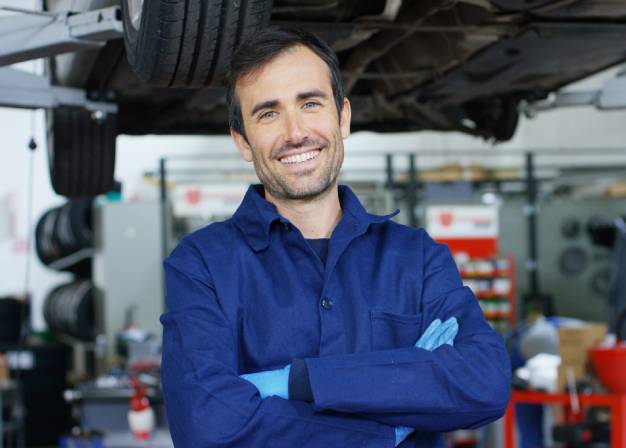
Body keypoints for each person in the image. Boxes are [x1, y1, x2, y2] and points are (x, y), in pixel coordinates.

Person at [160, 25, 510, 447]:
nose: (295, 132)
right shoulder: (202, 264)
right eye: (268, 113)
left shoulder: (415, 257)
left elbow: (483, 382)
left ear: (342, 117)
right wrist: (387, 425)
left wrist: (298, 382)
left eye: (310, 103)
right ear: (243, 141)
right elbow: (206, 423)